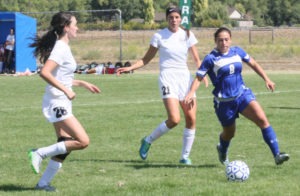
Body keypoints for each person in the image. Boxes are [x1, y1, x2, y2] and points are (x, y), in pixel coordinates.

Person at [184, 27, 289, 166]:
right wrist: (191, 92)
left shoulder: (237, 51)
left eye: (226, 39)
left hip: (242, 95)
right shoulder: (211, 58)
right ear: (215, 41)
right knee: (229, 133)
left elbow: (253, 63)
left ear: (230, 40)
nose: (224, 43)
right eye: (220, 40)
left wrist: (267, 79)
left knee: (262, 120)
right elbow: (198, 78)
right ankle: (222, 149)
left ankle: (277, 155)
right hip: (224, 103)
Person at [117, 6, 207, 165]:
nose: (174, 20)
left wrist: (202, 75)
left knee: (191, 118)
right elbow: (145, 59)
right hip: (167, 78)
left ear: (181, 19)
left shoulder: (187, 34)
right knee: (174, 119)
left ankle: (185, 157)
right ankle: (147, 140)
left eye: (177, 17)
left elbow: (197, 59)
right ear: (167, 19)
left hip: (185, 79)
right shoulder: (159, 36)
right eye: (171, 17)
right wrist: (130, 68)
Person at [28, 12, 100, 192]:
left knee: (64, 143)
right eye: (75, 24)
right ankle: (39, 153)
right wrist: (66, 90)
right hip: (57, 101)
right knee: (83, 141)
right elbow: (44, 72)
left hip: (59, 100)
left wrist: (81, 83)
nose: (77, 27)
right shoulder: (60, 47)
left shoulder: (63, 47)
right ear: (66, 27)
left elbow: (60, 77)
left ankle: (43, 184)